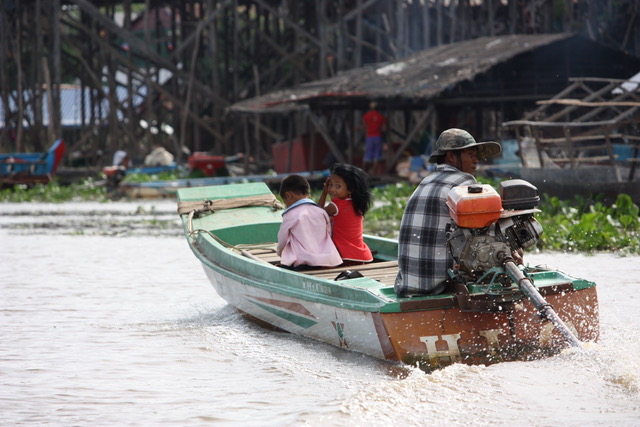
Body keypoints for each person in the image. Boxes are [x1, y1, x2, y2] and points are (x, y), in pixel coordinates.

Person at [394, 128, 503, 297]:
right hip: (440, 285)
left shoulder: (426, 181)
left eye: (476, 155)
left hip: (408, 283)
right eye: (470, 154)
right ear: (451, 156)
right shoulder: (464, 182)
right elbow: (485, 234)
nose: (476, 160)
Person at [277, 174, 342, 270]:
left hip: (302, 262)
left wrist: (279, 251)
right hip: (324, 260)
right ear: (308, 195)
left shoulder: (290, 214)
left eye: (285, 202)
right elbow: (328, 232)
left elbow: (283, 238)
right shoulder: (321, 212)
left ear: (288, 195)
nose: (286, 205)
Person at [318, 163, 373, 265]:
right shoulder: (356, 204)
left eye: (338, 186)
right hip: (361, 256)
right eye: (330, 185)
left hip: (344, 256)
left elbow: (316, 214)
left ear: (350, 189)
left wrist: (324, 193)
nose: (332, 189)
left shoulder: (336, 205)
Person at [362, 101, 387, 175]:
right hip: (378, 137)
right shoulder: (381, 116)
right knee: (376, 155)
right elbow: (384, 129)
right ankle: (374, 173)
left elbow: (365, 126)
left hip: (369, 137)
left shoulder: (366, 116)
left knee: (367, 155)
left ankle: (363, 173)